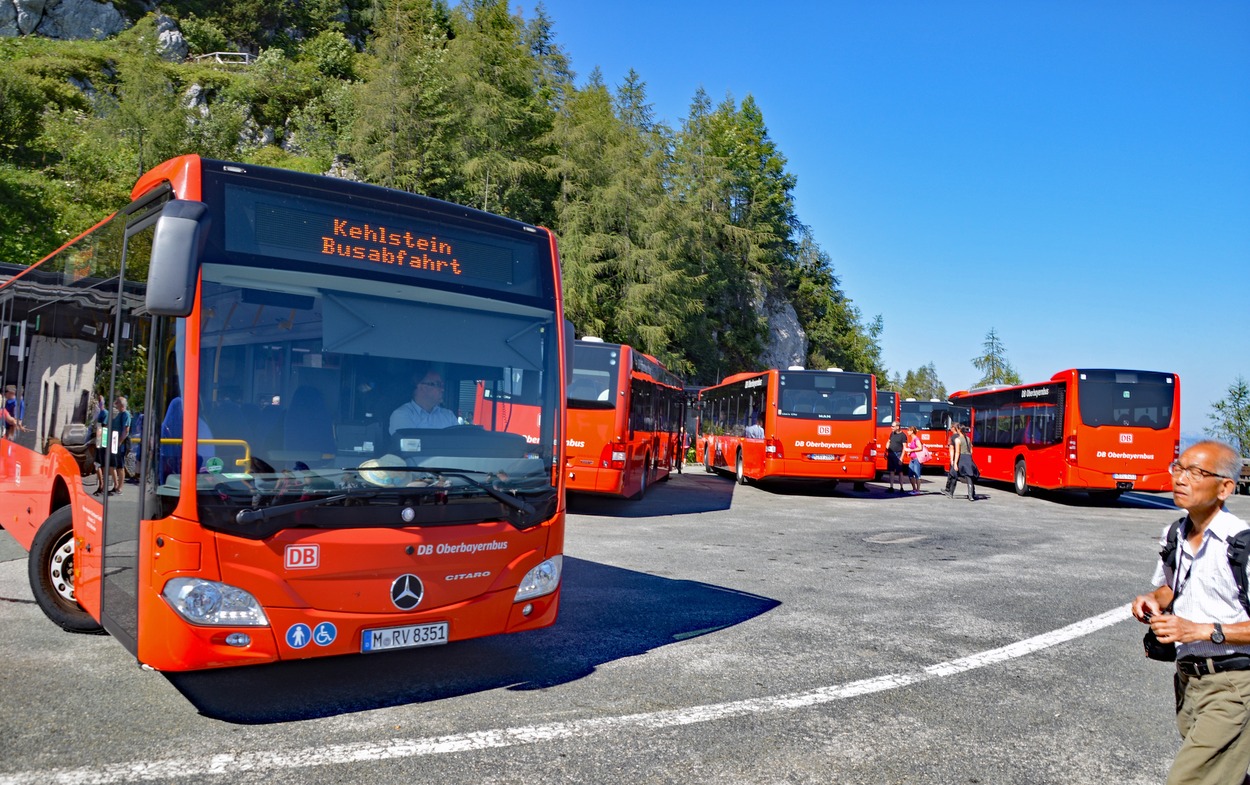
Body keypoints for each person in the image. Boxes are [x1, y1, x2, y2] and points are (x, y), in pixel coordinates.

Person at [1131, 440, 1250, 785]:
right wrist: (1153, 599)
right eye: (1179, 468)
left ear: (1225, 487)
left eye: (1197, 472)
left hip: (1233, 682)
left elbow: (1200, 627)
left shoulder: (1241, 543)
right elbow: (1172, 587)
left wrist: (1199, 630)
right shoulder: (1176, 534)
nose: (1181, 478)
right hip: (1188, 680)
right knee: (1223, 773)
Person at [389, 366, 458, 434]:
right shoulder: (402, 415)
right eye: (438, 384)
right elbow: (409, 444)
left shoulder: (448, 416)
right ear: (421, 387)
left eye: (443, 385)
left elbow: (459, 443)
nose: (443, 389)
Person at [943, 423, 977, 501]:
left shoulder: (957, 439)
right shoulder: (968, 439)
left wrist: (955, 463)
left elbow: (957, 452)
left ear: (958, 430)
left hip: (961, 458)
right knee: (969, 476)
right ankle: (971, 495)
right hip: (968, 458)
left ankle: (951, 493)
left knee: (954, 474)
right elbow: (971, 450)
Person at [108, 396, 132, 496]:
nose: (115, 404)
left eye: (117, 402)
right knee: (112, 464)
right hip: (114, 440)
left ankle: (120, 487)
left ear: (121, 404)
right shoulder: (119, 414)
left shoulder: (125, 414)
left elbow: (126, 430)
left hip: (119, 442)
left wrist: (119, 442)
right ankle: (116, 485)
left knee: (120, 465)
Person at [92, 395, 109, 496]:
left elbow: (103, 427)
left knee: (98, 463)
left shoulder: (104, 413)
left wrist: (100, 442)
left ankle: (102, 485)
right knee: (98, 463)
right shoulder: (100, 413)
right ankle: (101, 485)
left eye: (100, 401)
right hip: (100, 437)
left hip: (101, 437)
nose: (99, 403)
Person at [900, 426, 923, 494]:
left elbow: (920, 448)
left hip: (916, 459)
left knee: (917, 475)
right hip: (912, 459)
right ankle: (914, 489)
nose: (907, 432)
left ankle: (918, 490)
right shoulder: (912, 439)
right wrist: (910, 451)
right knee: (910, 474)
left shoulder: (916, 439)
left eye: (908, 431)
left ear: (912, 431)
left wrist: (911, 450)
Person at [885, 419, 907, 493]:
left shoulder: (903, 436)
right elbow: (889, 441)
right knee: (891, 471)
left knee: (900, 471)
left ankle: (901, 488)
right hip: (891, 453)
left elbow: (904, 447)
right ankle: (891, 487)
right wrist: (886, 449)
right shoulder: (892, 434)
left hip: (898, 454)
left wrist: (901, 458)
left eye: (893, 426)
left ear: (898, 427)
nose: (891, 428)